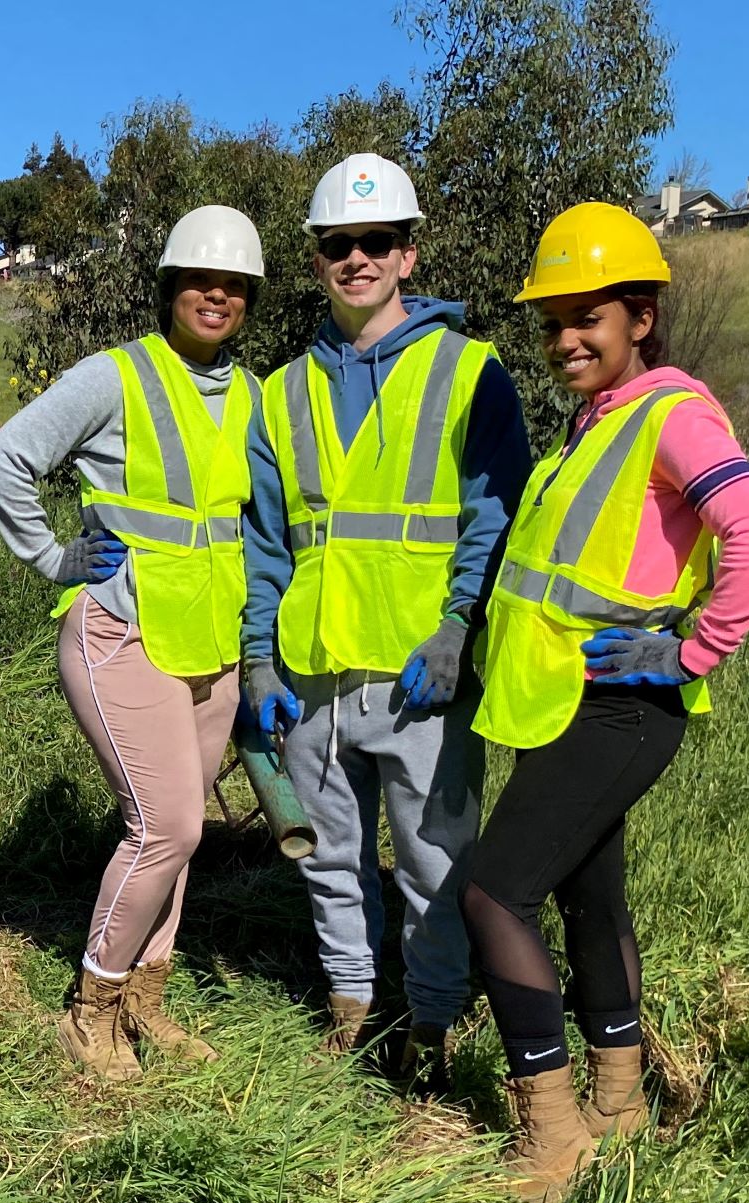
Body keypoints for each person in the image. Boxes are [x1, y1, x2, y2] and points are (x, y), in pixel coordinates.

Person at [463, 202, 749, 1203]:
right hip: (566, 700)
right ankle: (617, 1105)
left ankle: (552, 1133)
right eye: (551, 318)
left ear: (640, 317)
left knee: (492, 892)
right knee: (587, 893)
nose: (566, 336)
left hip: (621, 705)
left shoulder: (670, 415)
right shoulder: (596, 421)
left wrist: (692, 650)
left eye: (588, 315)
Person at [240, 154, 531, 1088]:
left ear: (409, 255)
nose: (356, 259)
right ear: (318, 260)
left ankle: (434, 1028)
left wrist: (459, 629)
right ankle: (354, 1009)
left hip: (421, 682)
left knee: (434, 869)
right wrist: (257, 663)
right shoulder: (281, 393)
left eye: (376, 243)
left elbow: (497, 514)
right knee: (330, 864)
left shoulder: (469, 371)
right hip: (314, 678)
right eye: (338, 246)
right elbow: (264, 543)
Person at [0, 206, 266, 1080]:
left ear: (248, 299)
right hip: (122, 629)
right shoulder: (115, 377)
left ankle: (147, 1002)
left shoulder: (251, 393)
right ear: (171, 288)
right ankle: (90, 1007)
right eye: (199, 280)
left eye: (234, 286)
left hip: (211, 644)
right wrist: (52, 555)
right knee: (167, 825)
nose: (216, 296)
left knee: (181, 833)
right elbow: (5, 460)